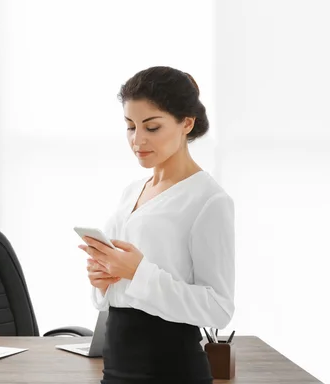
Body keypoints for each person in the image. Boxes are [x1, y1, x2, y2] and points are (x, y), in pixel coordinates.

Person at [78, 66, 235, 384]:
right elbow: (122, 294)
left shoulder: (209, 200)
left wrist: (137, 272)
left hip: (170, 371)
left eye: (151, 127)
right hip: (117, 366)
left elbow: (219, 309)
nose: (138, 140)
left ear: (186, 123)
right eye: (130, 126)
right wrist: (103, 282)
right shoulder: (131, 191)